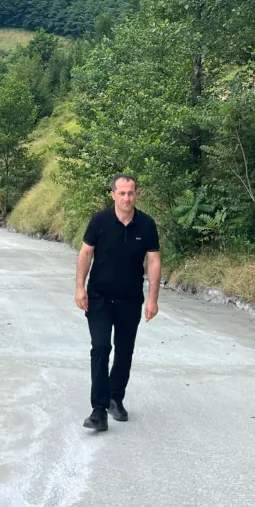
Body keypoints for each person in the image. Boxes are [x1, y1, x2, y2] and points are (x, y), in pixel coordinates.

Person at [74, 174, 161, 432]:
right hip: (99, 298)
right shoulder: (99, 220)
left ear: (136, 195)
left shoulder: (146, 224)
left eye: (131, 193)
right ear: (112, 194)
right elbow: (85, 253)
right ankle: (98, 411)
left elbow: (154, 260)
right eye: (121, 193)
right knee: (100, 348)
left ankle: (115, 398)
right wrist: (80, 288)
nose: (126, 198)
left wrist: (153, 299)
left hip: (130, 299)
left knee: (124, 351)